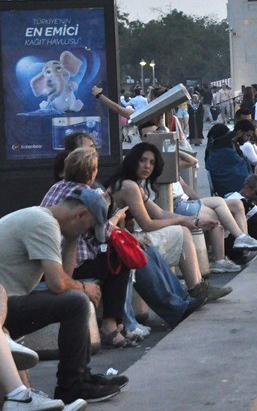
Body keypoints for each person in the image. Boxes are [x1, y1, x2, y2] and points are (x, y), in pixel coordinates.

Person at [0, 188, 126, 404]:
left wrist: (72, 239)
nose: (85, 232)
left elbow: (64, 281)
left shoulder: (43, 219)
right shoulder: (42, 222)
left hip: (7, 303)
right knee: (76, 301)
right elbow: (58, 283)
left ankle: (81, 377)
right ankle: (72, 385)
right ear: (80, 214)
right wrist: (85, 289)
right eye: (87, 227)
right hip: (3, 304)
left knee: (75, 298)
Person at [106, 143, 231, 305]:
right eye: (143, 160)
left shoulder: (134, 185)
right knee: (182, 233)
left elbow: (159, 213)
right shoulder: (128, 186)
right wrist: (184, 222)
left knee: (182, 230)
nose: (147, 166)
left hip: (124, 240)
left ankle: (197, 287)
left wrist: (194, 221)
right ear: (132, 161)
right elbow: (147, 224)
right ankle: (197, 288)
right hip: (118, 244)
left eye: (151, 162)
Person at [42, 148, 134, 349]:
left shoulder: (55, 188)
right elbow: (102, 234)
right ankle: (110, 325)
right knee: (119, 261)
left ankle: (118, 322)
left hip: (47, 259)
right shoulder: (90, 196)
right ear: (92, 173)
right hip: (70, 262)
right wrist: (117, 218)